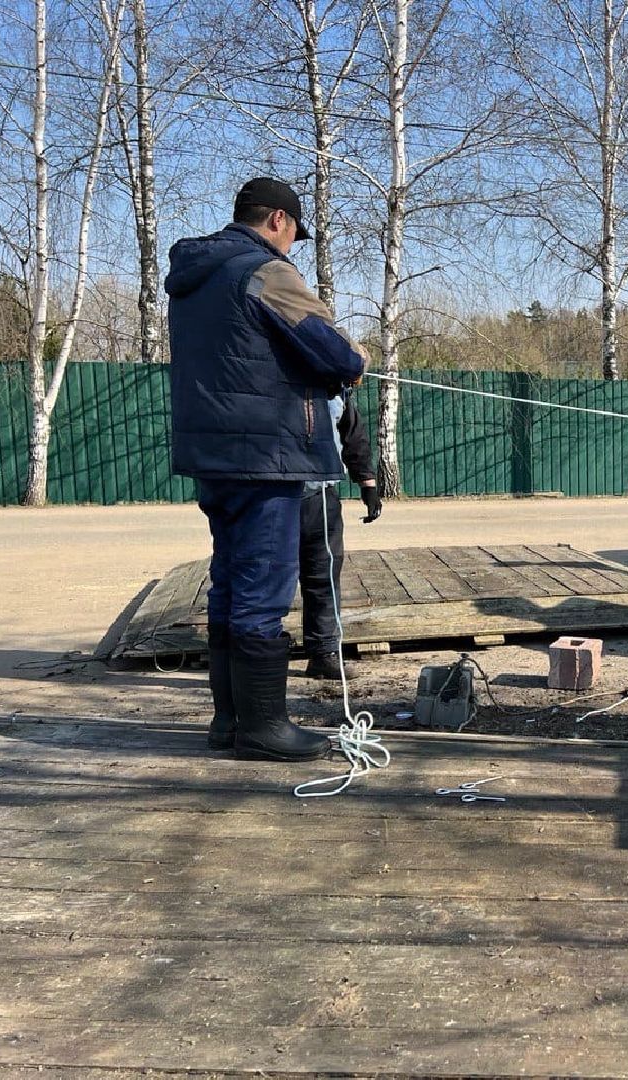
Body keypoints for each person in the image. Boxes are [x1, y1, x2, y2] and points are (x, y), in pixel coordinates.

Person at [166, 176, 366, 761]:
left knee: (230, 584)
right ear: (278, 220)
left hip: (216, 456)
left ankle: (229, 722)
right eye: (294, 235)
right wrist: (353, 365)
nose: (293, 246)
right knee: (262, 593)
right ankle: (262, 728)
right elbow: (333, 352)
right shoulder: (267, 272)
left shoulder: (195, 279)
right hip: (268, 456)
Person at [297, 392, 382, 680]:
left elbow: (353, 435)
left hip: (319, 495)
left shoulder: (337, 391)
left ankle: (323, 652)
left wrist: (368, 484)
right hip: (271, 495)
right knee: (270, 577)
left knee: (323, 574)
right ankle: (257, 655)